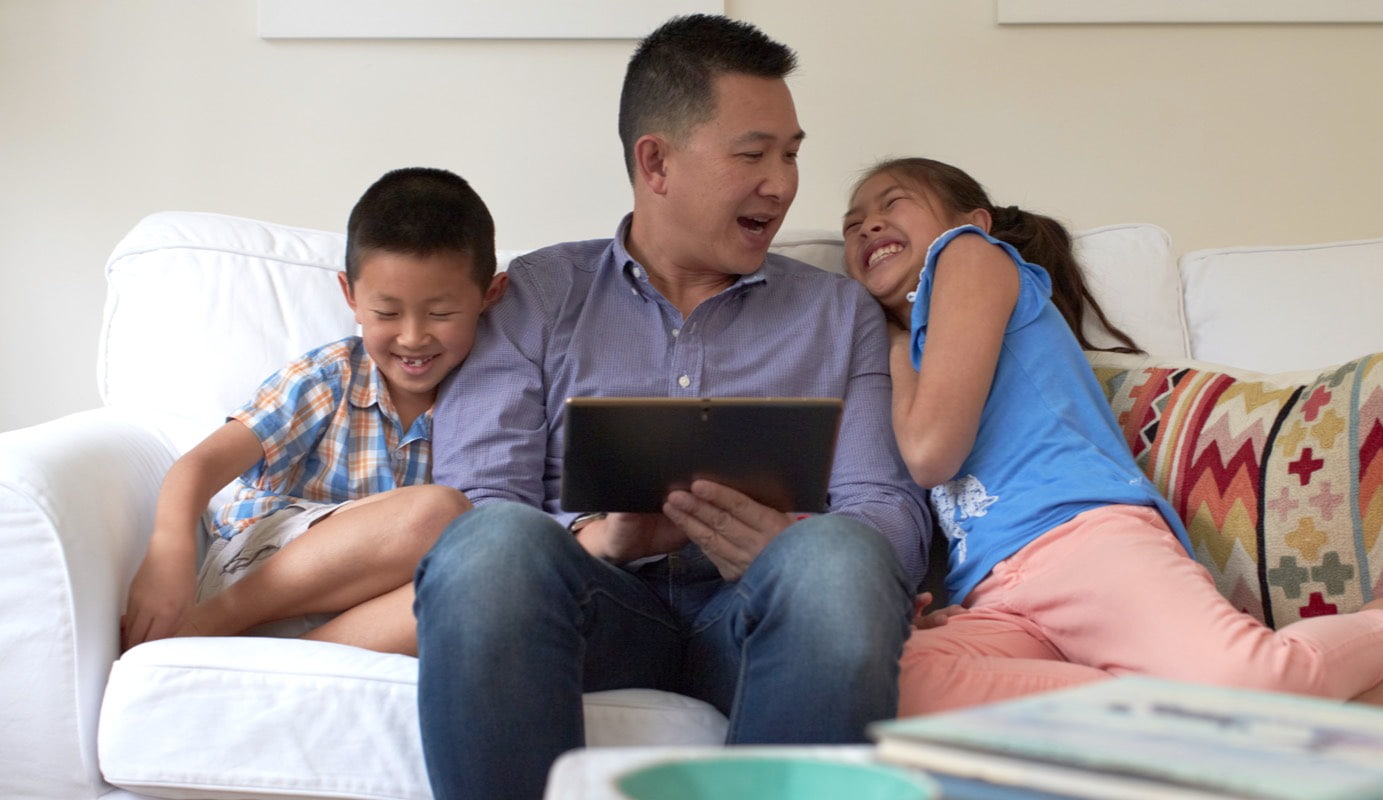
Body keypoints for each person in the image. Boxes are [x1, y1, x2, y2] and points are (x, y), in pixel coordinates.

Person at [414, 15, 932, 800]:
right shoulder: (538, 296)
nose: (784, 184)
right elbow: (479, 500)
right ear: (655, 162)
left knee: (839, 560)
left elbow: (889, 509)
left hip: (757, 614)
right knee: (488, 548)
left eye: (791, 156)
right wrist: (601, 539)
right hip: (597, 610)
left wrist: (787, 544)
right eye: (753, 154)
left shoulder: (839, 313)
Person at [841, 156, 1383, 716]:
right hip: (992, 597)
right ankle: (1199, 716)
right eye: (852, 223)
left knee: (1243, 677)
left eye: (892, 202)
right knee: (875, 681)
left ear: (973, 220)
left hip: (1085, 544)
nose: (867, 226)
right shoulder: (912, 347)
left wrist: (885, 340)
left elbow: (932, 453)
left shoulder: (968, 255)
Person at [120, 167, 507, 656]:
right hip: (260, 576)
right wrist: (167, 551)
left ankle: (284, 666)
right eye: (387, 313)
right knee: (440, 513)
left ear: (489, 296)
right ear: (350, 296)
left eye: (441, 314)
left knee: (481, 584)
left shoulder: (495, 402)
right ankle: (200, 633)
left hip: (358, 620)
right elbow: (199, 466)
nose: (412, 336)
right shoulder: (331, 377)